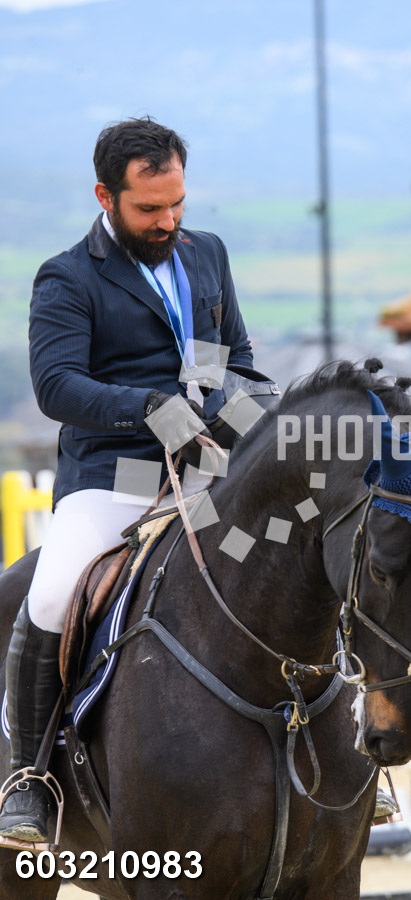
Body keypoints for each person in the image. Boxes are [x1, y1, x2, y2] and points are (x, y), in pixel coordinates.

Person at [0, 116, 253, 843]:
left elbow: (235, 358)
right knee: (52, 593)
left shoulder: (206, 254)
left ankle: (344, 754)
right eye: (149, 209)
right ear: (105, 196)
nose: (168, 221)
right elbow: (57, 386)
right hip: (117, 473)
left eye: (177, 204)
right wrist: (148, 407)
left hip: (206, 470)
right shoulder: (68, 277)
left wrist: (234, 411)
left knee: (291, 556)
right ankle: (29, 780)